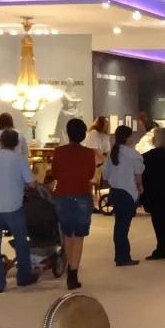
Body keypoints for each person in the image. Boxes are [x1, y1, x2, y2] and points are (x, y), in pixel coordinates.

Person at [0, 128, 38, 293]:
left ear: (1, 142)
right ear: (17, 143)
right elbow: (32, 183)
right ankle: (24, 277)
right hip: (13, 207)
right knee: (21, 243)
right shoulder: (19, 160)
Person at [50, 117, 97, 290]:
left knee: (68, 235)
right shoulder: (88, 153)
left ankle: (70, 267)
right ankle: (73, 273)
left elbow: (55, 173)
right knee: (79, 236)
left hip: (63, 195)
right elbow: (91, 173)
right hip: (82, 195)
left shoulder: (59, 151)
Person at [102, 124, 145, 267]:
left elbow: (106, 175)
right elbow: (138, 174)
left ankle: (120, 255)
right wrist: (140, 187)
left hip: (115, 191)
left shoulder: (112, 153)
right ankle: (123, 257)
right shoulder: (133, 154)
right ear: (127, 138)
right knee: (123, 227)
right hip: (128, 192)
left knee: (119, 225)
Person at [141, 127, 165, 259]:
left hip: (155, 192)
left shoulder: (150, 156)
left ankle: (162, 248)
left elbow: (145, 175)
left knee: (158, 221)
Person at [84, 116, 110, 211]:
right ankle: (90, 205)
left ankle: (93, 204)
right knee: (90, 184)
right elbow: (94, 148)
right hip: (90, 161)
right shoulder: (93, 133)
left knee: (95, 183)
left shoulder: (105, 135)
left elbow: (106, 149)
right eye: (106, 123)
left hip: (99, 163)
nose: (107, 125)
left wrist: (105, 158)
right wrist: (104, 159)